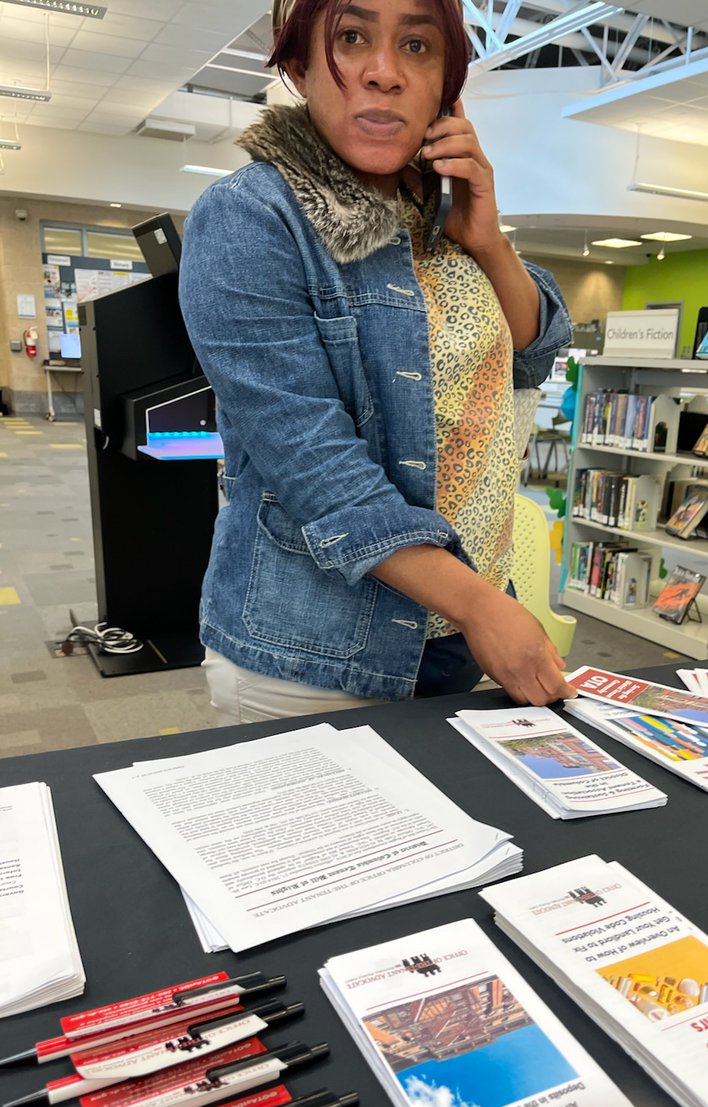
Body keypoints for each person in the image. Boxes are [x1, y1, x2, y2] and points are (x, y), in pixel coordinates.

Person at [178, 0, 577, 722]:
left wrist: (486, 238)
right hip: (319, 653)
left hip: (462, 634)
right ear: (298, 65)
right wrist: (484, 608)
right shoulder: (251, 218)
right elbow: (320, 474)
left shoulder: (445, 216)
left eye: (418, 46)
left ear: (447, 85)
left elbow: (535, 353)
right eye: (352, 39)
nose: (385, 73)